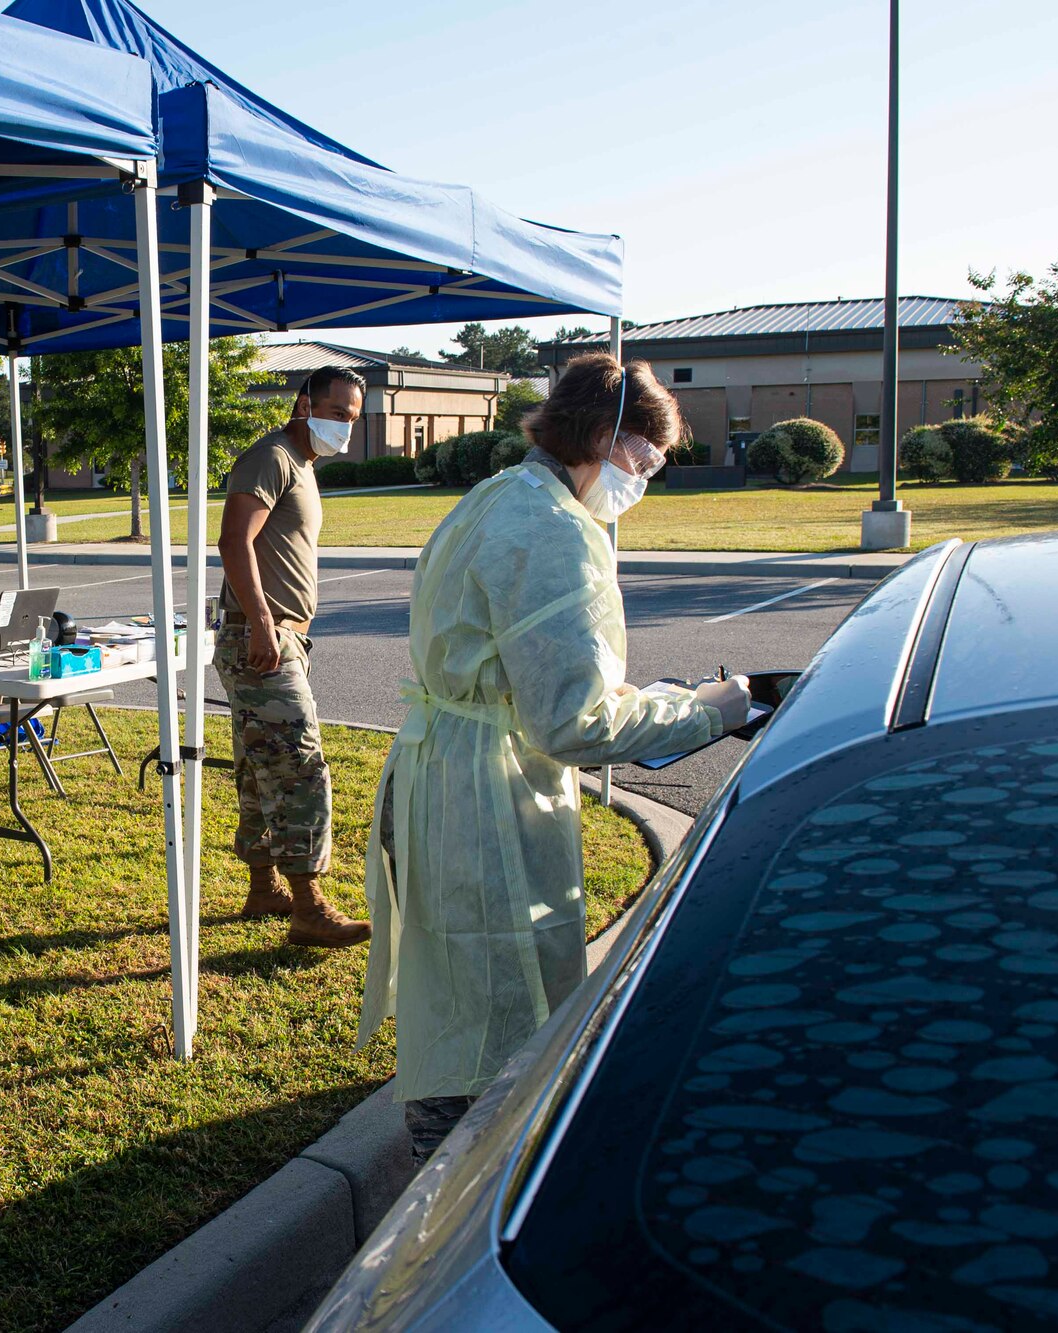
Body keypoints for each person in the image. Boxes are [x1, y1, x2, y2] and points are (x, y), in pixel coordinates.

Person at [356, 353, 753, 1160]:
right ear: (602, 437)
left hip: (442, 769)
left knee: (456, 990)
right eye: (644, 460)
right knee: (495, 1017)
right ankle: (456, 1211)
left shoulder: (499, 495)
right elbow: (574, 723)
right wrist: (705, 712)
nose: (646, 479)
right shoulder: (553, 531)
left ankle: (449, 1175)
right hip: (484, 797)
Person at [213, 365, 371, 949]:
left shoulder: (300, 464)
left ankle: (264, 888)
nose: (344, 428)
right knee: (300, 766)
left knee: (260, 765)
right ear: (303, 404)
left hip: (280, 636)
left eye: (353, 419)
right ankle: (308, 908)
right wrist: (262, 625)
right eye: (336, 414)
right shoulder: (273, 456)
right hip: (264, 637)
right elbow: (234, 540)